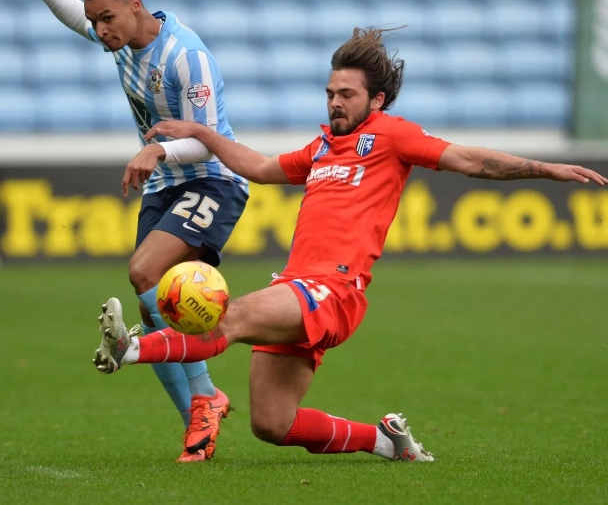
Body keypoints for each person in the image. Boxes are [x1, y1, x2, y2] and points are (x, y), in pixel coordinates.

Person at [92, 27, 607, 462]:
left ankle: (130, 348)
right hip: (298, 287)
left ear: (376, 100)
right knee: (273, 424)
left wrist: (545, 169)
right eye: (331, 94)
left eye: (347, 95)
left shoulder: (391, 136)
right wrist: (201, 134)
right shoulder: (322, 147)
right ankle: (386, 442)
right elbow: (261, 168)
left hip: (332, 290)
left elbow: (468, 160)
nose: (336, 102)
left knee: (228, 315)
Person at [2, 0, 249, 462]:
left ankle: (206, 394)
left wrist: (156, 148)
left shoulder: (188, 57)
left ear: (136, 5)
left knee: (143, 271)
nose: (100, 30)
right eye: (97, 20)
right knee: (150, 304)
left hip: (211, 179)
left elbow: (206, 143)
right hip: (166, 184)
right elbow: (77, 16)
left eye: (108, 18)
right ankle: (197, 423)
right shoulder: (120, 37)